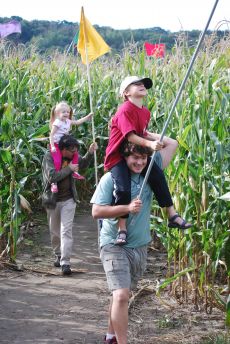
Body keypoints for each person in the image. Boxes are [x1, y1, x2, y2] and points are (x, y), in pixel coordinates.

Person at [104, 75, 191, 245]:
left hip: (134, 154)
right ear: (126, 93)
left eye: (143, 84)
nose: (141, 85)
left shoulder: (145, 111)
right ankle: (122, 227)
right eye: (136, 84)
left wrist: (153, 139)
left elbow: (141, 132)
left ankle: (172, 214)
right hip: (118, 157)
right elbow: (129, 135)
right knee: (123, 190)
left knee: (158, 177)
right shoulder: (124, 110)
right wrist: (149, 144)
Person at [91, 142, 162, 344]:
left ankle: (110, 337)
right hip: (113, 243)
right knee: (122, 295)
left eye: (143, 158)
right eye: (134, 158)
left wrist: (145, 138)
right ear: (125, 157)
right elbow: (96, 212)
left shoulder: (150, 176)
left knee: (120, 295)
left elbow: (171, 144)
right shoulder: (110, 178)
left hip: (139, 245)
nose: (139, 162)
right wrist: (127, 208)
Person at [42, 134, 97, 275]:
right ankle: (58, 254)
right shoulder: (50, 157)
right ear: (63, 149)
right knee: (54, 232)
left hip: (68, 200)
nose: (74, 153)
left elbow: (82, 164)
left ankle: (65, 262)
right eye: (72, 150)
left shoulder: (72, 157)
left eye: (76, 150)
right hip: (52, 200)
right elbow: (52, 176)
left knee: (66, 230)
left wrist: (90, 152)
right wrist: (69, 169)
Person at [49, 101, 93, 193]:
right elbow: (51, 135)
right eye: (63, 112)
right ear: (57, 113)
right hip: (56, 144)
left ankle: (75, 172)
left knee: (75, 153)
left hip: (65, 144)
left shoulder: (68, 121)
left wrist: (87, 117)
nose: (66, 114)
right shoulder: (57, 123)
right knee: (57, 161)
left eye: (68, 112)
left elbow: (77, 122)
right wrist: (52, 146)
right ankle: (54, 183)